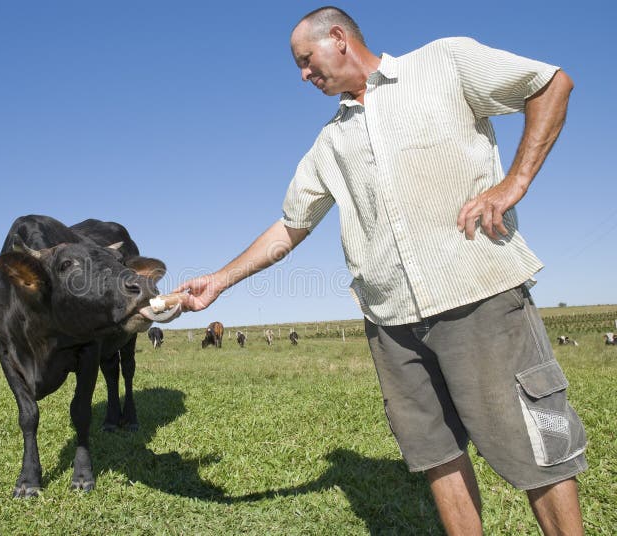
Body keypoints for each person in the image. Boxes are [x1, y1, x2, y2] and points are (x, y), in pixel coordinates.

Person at [174, 6, 586, 536]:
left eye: (306, 60)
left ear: (338, 38)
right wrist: (217, 281)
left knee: (535, 442)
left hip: (478, 293)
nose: (303, 75)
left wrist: (515, 182)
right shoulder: (329, 143)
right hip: (392, 322)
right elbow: (288, 228)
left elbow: (550, 84)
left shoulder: (443, 63)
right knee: (435, 453)